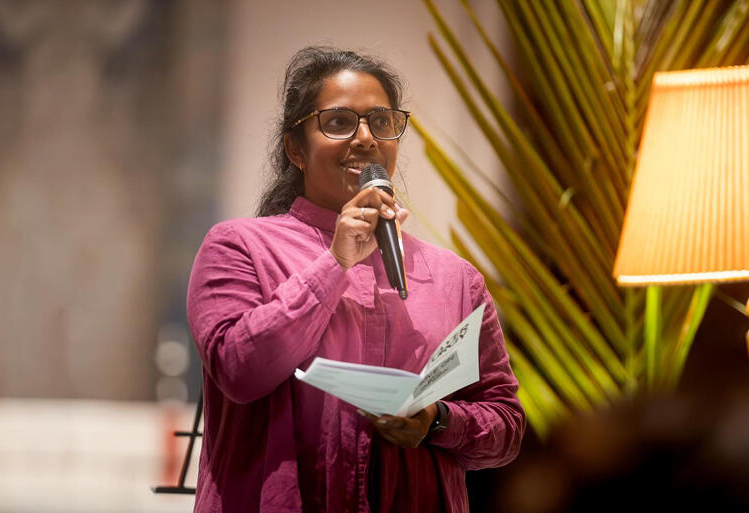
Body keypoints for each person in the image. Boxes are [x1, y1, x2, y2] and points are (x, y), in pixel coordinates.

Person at [186, 46, 525, 513]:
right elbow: (240, 371)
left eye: (381, 122)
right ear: (295, 149)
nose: (366, 138)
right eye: (339, 122)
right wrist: (335, 264)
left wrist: (438, 421)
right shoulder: (238, 247)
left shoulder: (455, 279)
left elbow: (505, 425)